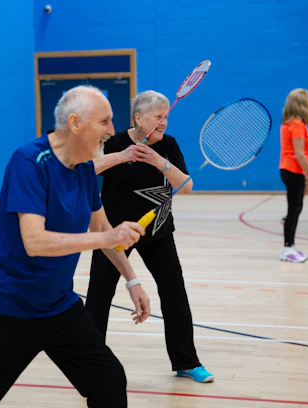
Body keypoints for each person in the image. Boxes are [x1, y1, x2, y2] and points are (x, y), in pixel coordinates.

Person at [0, 85, 151, 408]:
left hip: (59, 308)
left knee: (108, 379)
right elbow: (35, 241)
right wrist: (106, 238)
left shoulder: (84, 169)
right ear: (76, 123)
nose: (112, 130)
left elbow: (102, 228)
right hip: (7, 311)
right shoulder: (29, 161)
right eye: (105, 121)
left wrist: (132, 280)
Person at [85, 90, 214, 384]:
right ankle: (90, 363)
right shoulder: (115, 142)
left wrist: (160, 163)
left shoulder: (168, 145)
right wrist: (121, 157)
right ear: (139, 118)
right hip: (115, 235)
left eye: (166, 116)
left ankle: (186, 362)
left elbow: (187, 186)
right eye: (158, 116)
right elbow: (86, 169)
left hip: (158, 233)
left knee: (175, 295)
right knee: (98, 297)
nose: (163, 122)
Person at [279, 89, 308, 263]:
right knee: (293, 210)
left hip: (292, 171)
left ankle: (291, 247)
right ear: (301, 103)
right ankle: (287, 249)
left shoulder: (292, 122)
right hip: (292, 170)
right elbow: (299, 155)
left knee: (295, 209)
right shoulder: (296, 125)